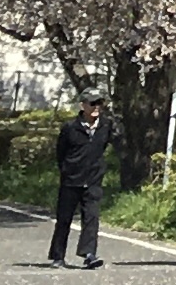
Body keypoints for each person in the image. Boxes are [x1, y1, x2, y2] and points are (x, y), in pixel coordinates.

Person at [49, 93, 111, 269]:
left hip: (93, 179)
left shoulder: (106, 125)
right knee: (64, 219)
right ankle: (58, 256)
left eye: (100, 103)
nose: (96, 107)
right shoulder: (70, 127)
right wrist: (67, 170)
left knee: (92, 217)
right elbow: (60, 153)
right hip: (71, 179)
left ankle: (89, 254)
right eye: (93, 103)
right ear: (83, 105)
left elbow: (104, 146)